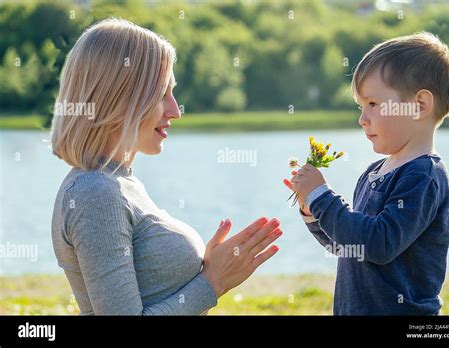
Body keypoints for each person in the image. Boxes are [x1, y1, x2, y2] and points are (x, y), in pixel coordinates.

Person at [51, 18, 282, 315]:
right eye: (162, 94)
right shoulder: (95, 192)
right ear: (120, 97)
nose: (175, 111)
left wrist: (204, 270)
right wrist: (213, 283)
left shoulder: (120, 183)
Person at [284, 32, 449, 315]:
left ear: (419, 106)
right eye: (360, 106)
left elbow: (379, 244)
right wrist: (313, 211)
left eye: (373, 104)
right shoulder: (373, 173)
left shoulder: (423, 176)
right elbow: (350, 246)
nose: (362, 118)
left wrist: (321, 195)